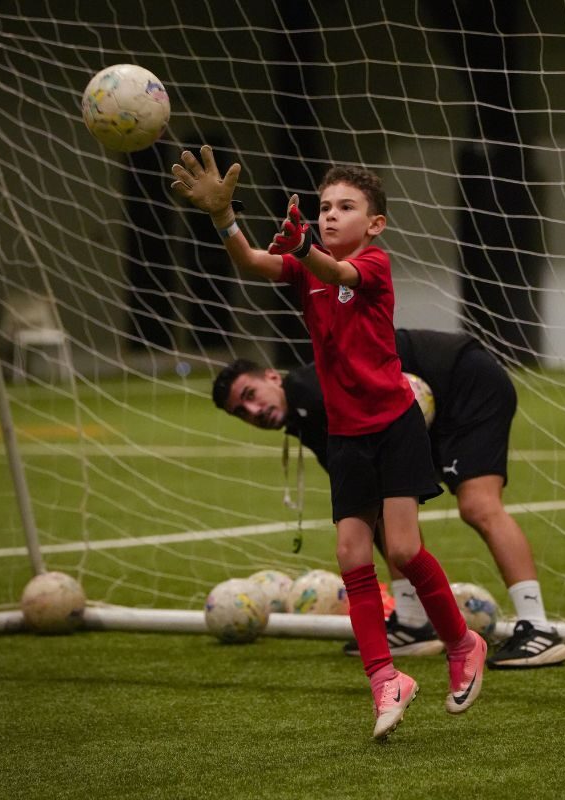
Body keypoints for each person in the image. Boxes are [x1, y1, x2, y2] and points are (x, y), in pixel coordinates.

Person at [171, 147, 486, 739]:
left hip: (395, 425)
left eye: (347, 207)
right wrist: (221, 215)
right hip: (346, 436)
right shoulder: (302, 268)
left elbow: (336, 273)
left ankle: (462, 644)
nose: (332, 214)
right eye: (324, 207)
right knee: (349, 556)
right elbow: (250, 260)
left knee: (406, 553)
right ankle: (385, 679)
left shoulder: (373, 264)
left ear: (375, 223)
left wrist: (305, 248)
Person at [212, 329, 565, 669]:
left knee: (478, 505)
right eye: (241, 412)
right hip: (434, 402)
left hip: (464, 381)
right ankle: (413, 622)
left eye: (250, 395)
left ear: (272, 377)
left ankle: (537, 627)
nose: (253, 412)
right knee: (381, 508)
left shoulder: (314, 390)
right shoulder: (304, 415)